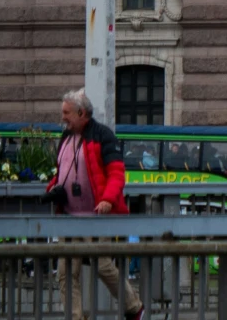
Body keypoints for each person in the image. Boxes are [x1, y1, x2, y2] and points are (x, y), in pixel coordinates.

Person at [43, 89, 142, 320]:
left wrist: (107, 199)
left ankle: (134, 307)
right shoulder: (66, 137)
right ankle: (75, 317)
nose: (63, 117)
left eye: (66, 113)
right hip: (68, 217)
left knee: (103, 266)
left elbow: (116, 172)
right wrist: (52, 188)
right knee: (66, 274)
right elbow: (64, 172)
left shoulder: (103, 135)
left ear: (81, 112)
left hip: (95, 217)